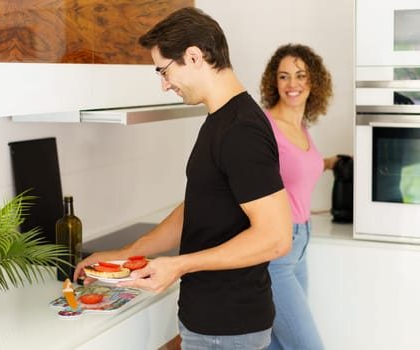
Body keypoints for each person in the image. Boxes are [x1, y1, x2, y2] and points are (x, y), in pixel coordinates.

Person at [74, 7, 293, 350]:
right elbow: (198, 207)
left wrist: (178, 265)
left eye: (164, 70)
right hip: (212, 323)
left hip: (228, 328)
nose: (164, 84)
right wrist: (120, 255)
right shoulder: (220, 120)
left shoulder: (241, 130)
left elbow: (277, 238)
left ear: (194, 56)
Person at [259, 43, 336, 350]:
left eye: (300, 75)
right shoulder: (265, 127)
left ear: (313, 81)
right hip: (276, 250)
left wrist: (330, 162)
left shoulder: (301, 127)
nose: (293, 84)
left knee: (279, 344)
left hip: (301, 243)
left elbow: (296, 169)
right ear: (273, 82)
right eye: (284, 76)